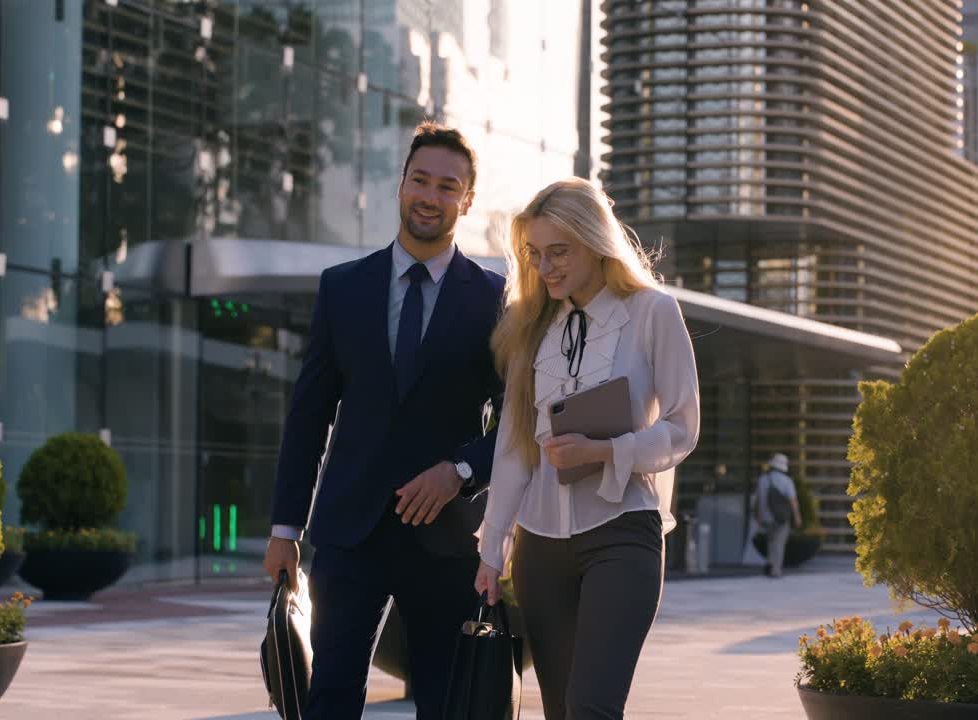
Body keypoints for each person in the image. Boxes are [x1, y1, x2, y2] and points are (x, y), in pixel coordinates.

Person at [263, 122, 505, 720]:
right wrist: (284, 527)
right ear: (400, 185)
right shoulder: (343, 288)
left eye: (447, 186)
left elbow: (516, 422)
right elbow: (309, 415)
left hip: (446, 538)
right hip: (350, 533)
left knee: (446, 705)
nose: (430, 195)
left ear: (466, 201)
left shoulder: (494, 298)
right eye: (419, 179)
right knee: (331, 699)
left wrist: (461, 469)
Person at [473, 178, 700, 720]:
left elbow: (682, 428)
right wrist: (492, 545)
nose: (546, 266)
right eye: (535, 254)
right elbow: (511, 449)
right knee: (560, 712)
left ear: (596, 243)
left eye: (560, 251)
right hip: (540, 549)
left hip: (623, 535)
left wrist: (607, 452)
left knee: (591, 707)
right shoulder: (532, 329)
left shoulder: (653, 312)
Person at [753, 452, 802, 578]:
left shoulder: (763, 480)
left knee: (770, 541)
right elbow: (793, 501)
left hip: (766, 517)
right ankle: (776, 570)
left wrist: (758, 517)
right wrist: (797, 516)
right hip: (781, 517)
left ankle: (769, 563)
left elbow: (758, 501)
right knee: (779, 543)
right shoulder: (787, 481)